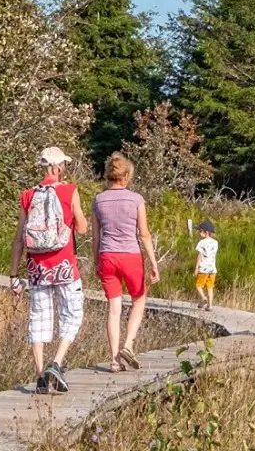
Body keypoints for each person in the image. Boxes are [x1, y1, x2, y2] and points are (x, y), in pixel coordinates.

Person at [9, 146, 89, 395]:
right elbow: (84, 228)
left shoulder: (27, 195)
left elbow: (19, 239)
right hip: (64, 265)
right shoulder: (69, 191)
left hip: (37, 267)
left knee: (39, 318)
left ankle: (41, 374)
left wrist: (13, 275)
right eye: (63, 165)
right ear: (57, 167)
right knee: (72, 314)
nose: (64, 169)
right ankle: (57, 363)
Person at [91, 152, 161, 373]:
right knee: (139, 299)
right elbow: (144, 234)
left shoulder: (98, 200)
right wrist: (153, 262)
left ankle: (114, 361)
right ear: (127, 176)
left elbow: (95, 236)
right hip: (130, 255)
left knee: (114, 308)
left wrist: (96, 262)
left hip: (107, 256)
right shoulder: (136, 199)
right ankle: (128, 344)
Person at [193, 220, 219, 310]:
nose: (199, 233)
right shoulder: (215, 242)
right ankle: (210, 306)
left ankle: (203, 298)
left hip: (203, 268)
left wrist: (196, 268)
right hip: (212, 268)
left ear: (206, 232)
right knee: (210, 287)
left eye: (200, 231)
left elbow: (199, 256)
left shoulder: (202, 243)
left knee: (198, 285)